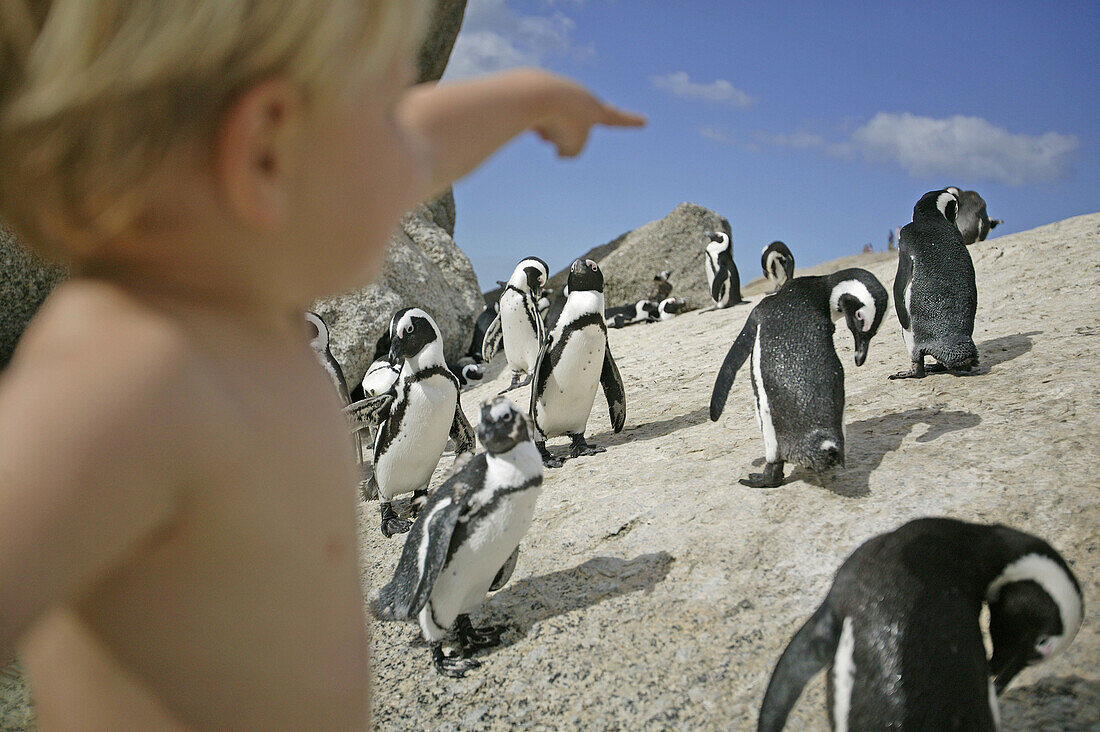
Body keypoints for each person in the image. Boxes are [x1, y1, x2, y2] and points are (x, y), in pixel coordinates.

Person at [0, 1, 644, 728]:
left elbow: (426, 144)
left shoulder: (247, 308)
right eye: (388, 117)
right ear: (269, 152)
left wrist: (527, 98)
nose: (414, 159)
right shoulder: (126, 377)